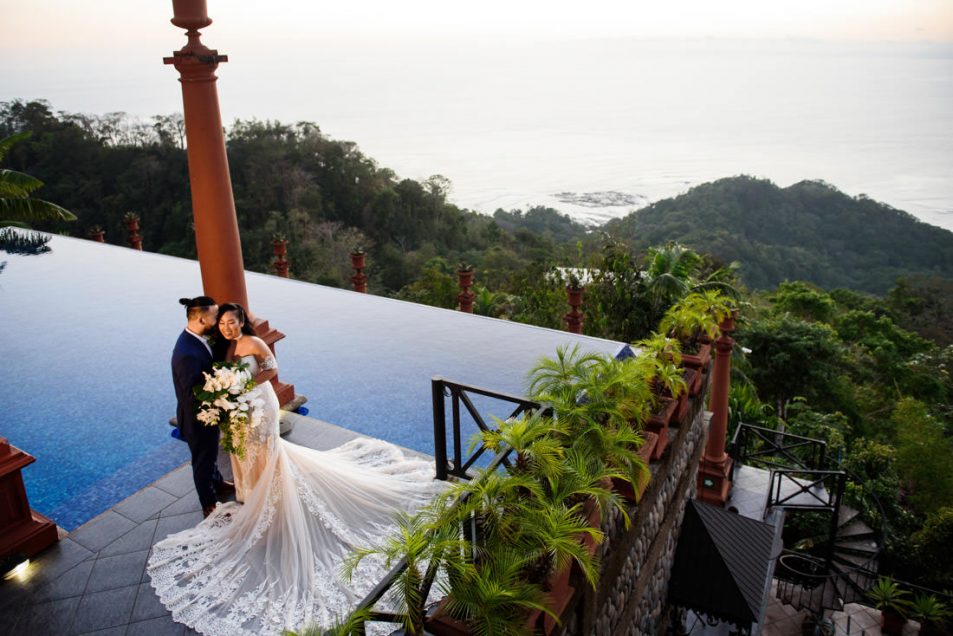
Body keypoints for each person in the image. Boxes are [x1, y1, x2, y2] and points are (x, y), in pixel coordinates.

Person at [148, 302, 444, 635]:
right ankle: (256, 494)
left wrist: (240, 387)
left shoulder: (252, 343)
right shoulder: (224, 344)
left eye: (232, 322)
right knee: (250, 453)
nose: (227, 327)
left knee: (265, 451)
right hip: (242, 408)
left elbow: (271, 369)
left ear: (242, 321)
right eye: (224, 323)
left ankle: (271, 499)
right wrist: (228, 395)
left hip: (258, 404)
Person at [171, 296, 235, 518]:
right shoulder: (187, 353)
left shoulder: (199, 339)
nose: (218, 320)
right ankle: (208, 503)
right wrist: (222, 395)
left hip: (207, 413)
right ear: (200, 318)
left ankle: (218, 482)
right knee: (202, 461)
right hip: (197, 418)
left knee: (210, 455)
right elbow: (192, 394)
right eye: (215, 316)